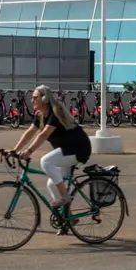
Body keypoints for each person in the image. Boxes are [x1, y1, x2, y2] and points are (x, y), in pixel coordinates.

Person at [6, 85, 91, 230]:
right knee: (52, 184)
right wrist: (14, 150)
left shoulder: (55, 113)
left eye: (35, 97)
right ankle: (68, 218)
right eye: (32, 97)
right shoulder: (40, 115)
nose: (32, 100)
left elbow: (43, 134)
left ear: (44, 99)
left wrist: (29, 151)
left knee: (46, 162)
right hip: (65, 150)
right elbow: (30, 132)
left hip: (77, 149)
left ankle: (66, 197)